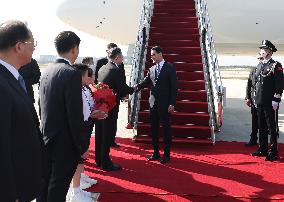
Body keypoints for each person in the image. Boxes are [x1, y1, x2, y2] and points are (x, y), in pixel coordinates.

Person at [37, 31, 88, 201]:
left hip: (46, 138)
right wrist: (82, 144)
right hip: (64, 145)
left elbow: (41, 107)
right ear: (74, 49)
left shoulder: (46, 71)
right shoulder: (71, 73)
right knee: (58, 190)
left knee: (45, 186)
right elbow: (74, 115)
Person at [0, 20, 42, 202]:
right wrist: (9, 195)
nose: (34, 48)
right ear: (19, 46)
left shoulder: (12, 78)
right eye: (33, 43)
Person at [67, 64, 106, 202]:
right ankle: (75, 191)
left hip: (86, 124)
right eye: (87, 75)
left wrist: (95, 113)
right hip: (80, 127)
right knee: (78, 157)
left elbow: (87, 108)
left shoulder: (84, 89)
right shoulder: (75, 90)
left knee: (81, 158)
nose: (90, 77)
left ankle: (78, 186)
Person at [135, 46, 178, 164]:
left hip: (165, 104)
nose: (151, 56)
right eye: (151, 54)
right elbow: (145, 82)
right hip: (153, 104)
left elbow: (174, 88)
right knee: (153, 129)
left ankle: (167, 154)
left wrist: (172, 104)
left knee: (166, 129)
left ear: (160, 54)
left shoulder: (170, 68)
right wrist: (136, 88)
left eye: (153, 54)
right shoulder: (152, 68)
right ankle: (155, 153)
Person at [96, 47, 134, 171]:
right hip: (110, 106)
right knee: (107, 134)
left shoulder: (103, 68)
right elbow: (123, 88)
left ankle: (99, 159)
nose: (123, 59)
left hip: (101, 106)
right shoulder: (116, 70)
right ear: (117, 57)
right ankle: (106, 163)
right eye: (122, 56)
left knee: (100, 133)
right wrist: (134, 88)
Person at [251, 40, 283, 161]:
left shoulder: (276, 65)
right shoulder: (260, 65)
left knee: (272, 127)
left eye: (264, 49)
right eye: (261, 49)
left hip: (270, 102)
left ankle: (273, 151)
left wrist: (276, 98)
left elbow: (279, 84)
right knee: (261, 126)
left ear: (269, 51)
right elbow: (256, 83)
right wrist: (254, 98)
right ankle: (262, 148)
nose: (261, 51)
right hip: (259, 101)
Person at [95, 42, 126, 147]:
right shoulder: (103, 64)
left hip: (114, 98)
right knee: (107, 124)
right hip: (107, 99)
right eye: (122, 56)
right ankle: (106, 149)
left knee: (111, 123)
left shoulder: (111, 66)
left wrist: (123, 93)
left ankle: (110, 141)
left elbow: (122, 79)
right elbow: (97, 80)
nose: (123, 59)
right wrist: (131, 90)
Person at [244, 56, 262, 146]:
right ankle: (253, 139)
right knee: (254, 122)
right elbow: (249, 85)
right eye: (259, 59)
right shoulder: (253, 70)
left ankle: (265, 143)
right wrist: (248, 98)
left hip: (264, 101)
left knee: (265, 123)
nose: (260, 60)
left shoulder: (269, 69)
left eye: (261, 59)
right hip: (254, 101)